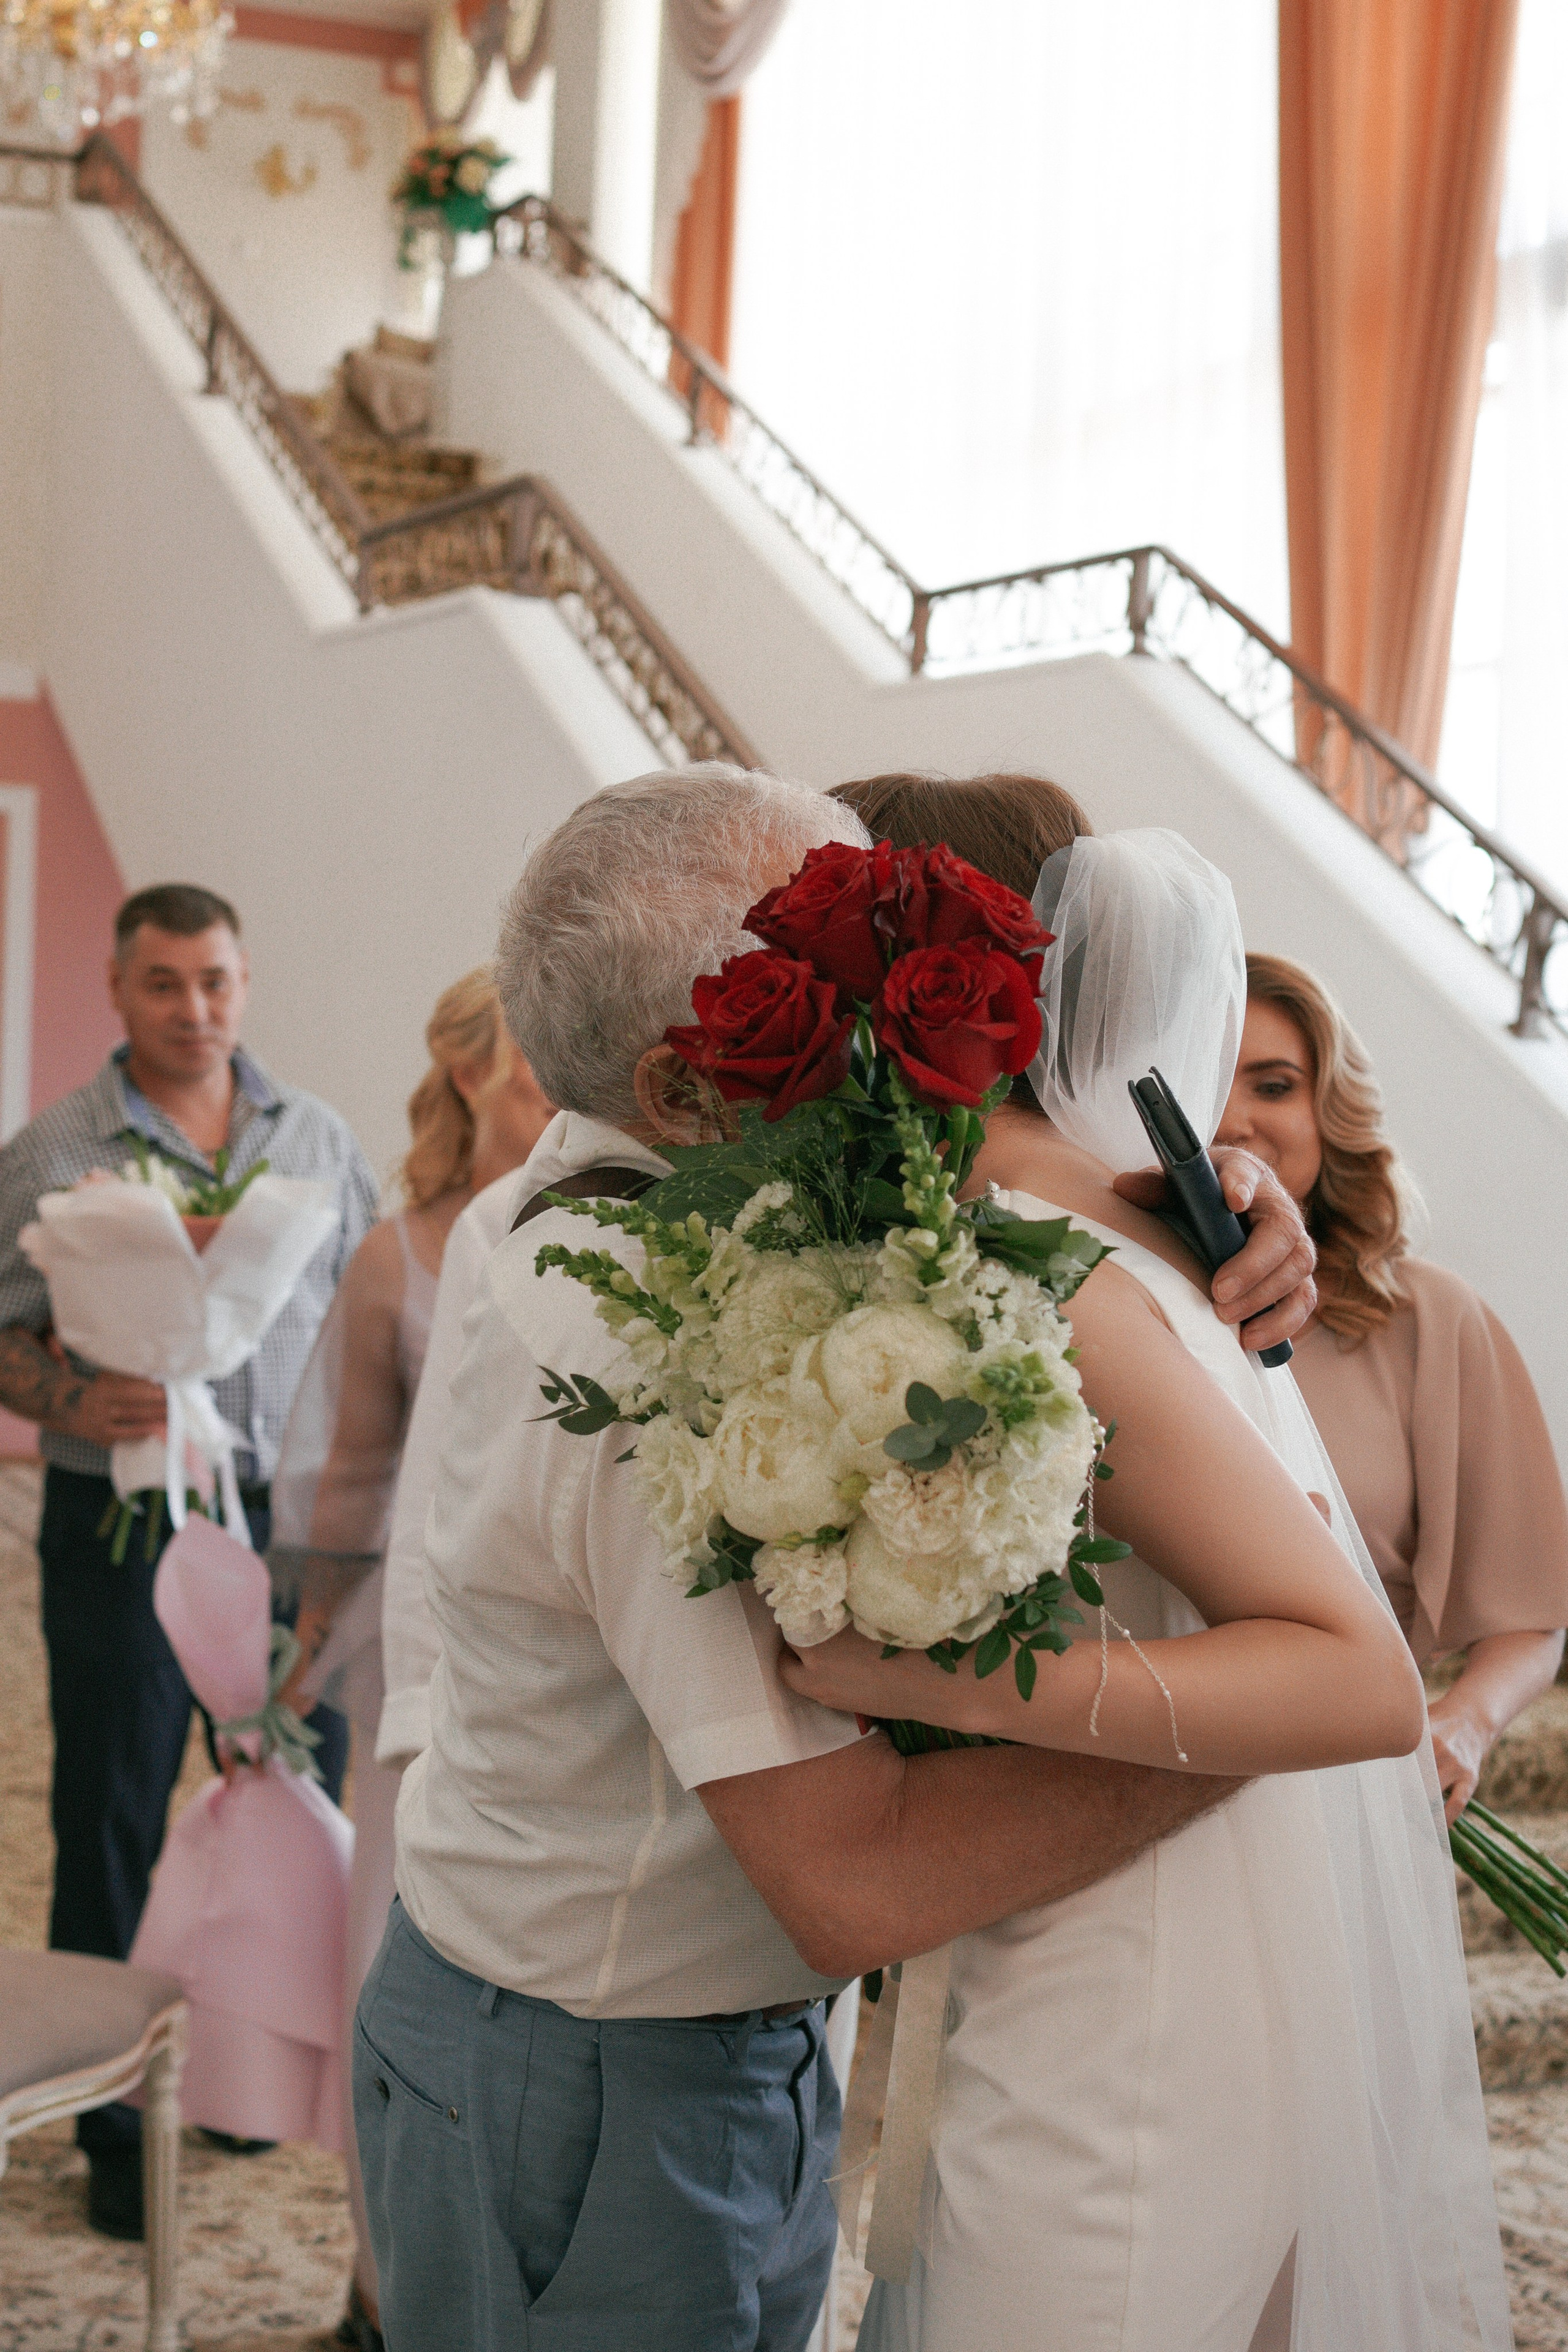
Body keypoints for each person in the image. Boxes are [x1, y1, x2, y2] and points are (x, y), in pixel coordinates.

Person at [352, 766, 1323, 2352]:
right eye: (843, 973)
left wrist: (1198, 1213)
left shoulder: (621, 1195)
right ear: (691, 1084)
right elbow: (851, 1879)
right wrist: (1252, 1729)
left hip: (618, 2032)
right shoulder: (649, 1343)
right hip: (600, 2074)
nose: (904, 1008)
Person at [784, 797, 1509, 2351]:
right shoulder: (1080, 1228)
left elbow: (1361, 1677)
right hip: (1088, 1910)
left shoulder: (1044, 1257)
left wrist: (925, 1673)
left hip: (1138, 1976)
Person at [0, 883, 378, 2241]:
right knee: (112, 1802)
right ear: (117, 989)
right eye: (164, 984)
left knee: (289, 1796)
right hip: (121, 1525)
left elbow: (370, 1320)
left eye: (215, 981)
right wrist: (61, 1397)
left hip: (295, 1528)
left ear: (245, 980)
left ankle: (247, 2076)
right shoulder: (54, 1147)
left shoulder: (319, 1140)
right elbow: (0, 1322)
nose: (194, 1010)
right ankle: (104, 2123)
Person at [269, 968, 554, 2352]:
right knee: (397, 1933)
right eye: (529, 1064)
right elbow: (341, 1479)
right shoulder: (408, 1250)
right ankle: (383, 2285)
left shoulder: (611, 1230)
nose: (555, 1088)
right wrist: (297, 1649)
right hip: (413, 1648)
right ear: (465, 1074)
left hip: (556, 1652)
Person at [1217, 951, 1568, 1820]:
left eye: (1274, 1085)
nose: (1235, 1118)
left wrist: (1468, 1721)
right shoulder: (1092, 1302)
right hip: (1120, 1790)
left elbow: (1532, 1615)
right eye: (1204, 1075)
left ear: (1330, 1113)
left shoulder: (1432, 1321)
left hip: (1352, 1796)